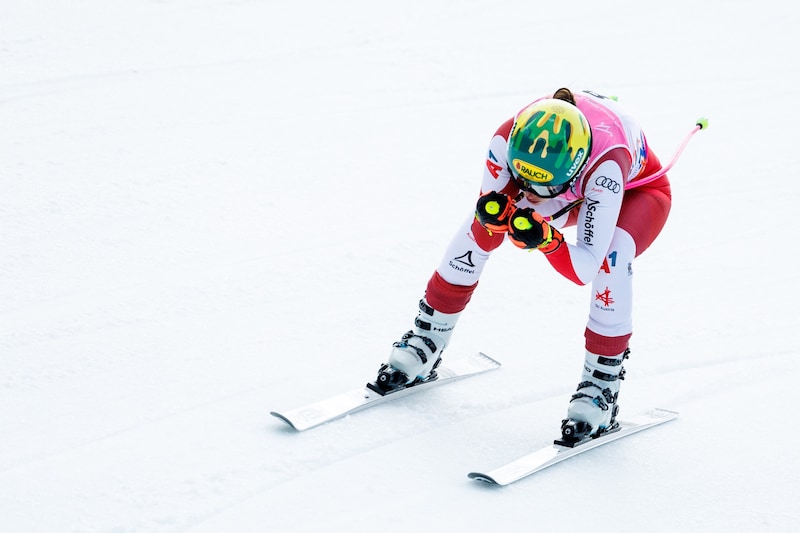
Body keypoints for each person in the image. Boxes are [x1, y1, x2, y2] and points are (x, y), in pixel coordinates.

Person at [371, 87, 673, 443]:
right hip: (567, 186)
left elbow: (583, 270)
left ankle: (600, 388)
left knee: (612, 257)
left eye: (538, 186)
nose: (528, 192)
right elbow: (494, 209)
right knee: (480, 224)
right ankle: (427, 339)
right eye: (523, 179)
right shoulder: (505, 138)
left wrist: (548, 241)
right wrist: (509, 213)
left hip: (635, 193)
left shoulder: (606, 168)